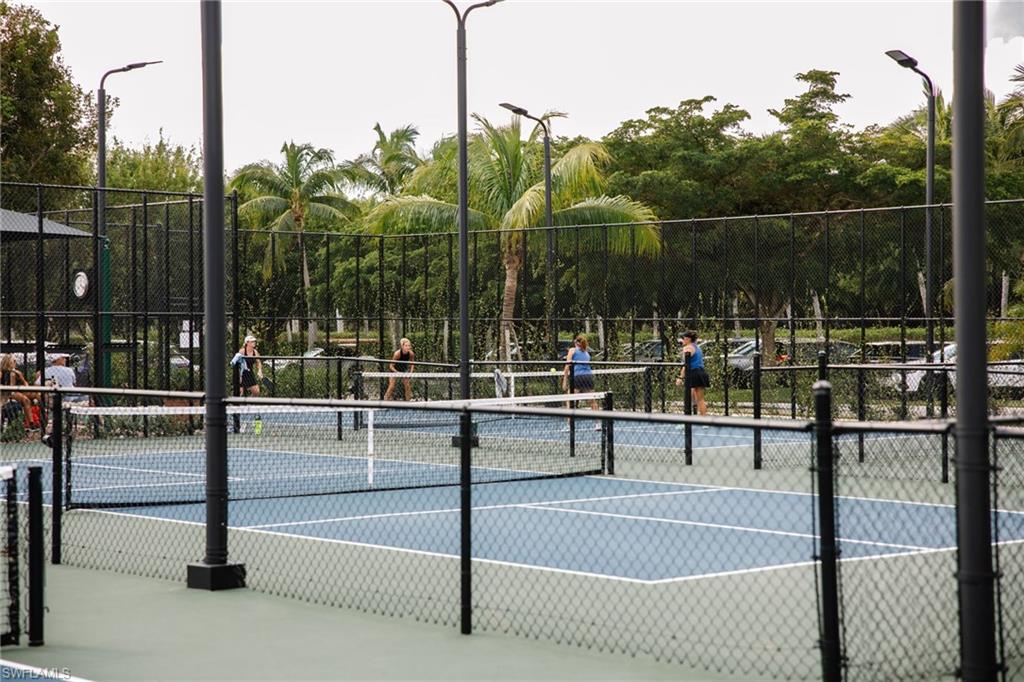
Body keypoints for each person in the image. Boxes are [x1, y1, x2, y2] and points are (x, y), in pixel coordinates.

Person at [562, 334, 601, 430]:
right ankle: (598, 424)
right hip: (588, 377)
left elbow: (567, 365)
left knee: (569, 400)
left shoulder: (572, 350)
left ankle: (569, 425)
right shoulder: (586, 353)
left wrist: (565, 380)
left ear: (576, 343)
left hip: (577, 377)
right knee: (592, 401)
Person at [675, 331, 709, 416]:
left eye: (683, 338)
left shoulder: (688, 348)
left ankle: (703, 419)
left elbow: (686, 365)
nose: (682, 340)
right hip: (700, 372)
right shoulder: (697, 347)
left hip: (695, 373)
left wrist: (680, 377)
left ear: (688, 339)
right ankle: (696, 417)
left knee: (698, 399)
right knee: (694, 397)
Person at [1, 354, 35, 430]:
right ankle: (29, 423)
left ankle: (31, 423)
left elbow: (26, 385)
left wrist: (20, 377)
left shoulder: (16, 373)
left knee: (30, 398)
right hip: (5, 392)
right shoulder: (2, 372)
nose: (15, 363)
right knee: (25, 399)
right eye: (14, 361)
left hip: (14, 391)